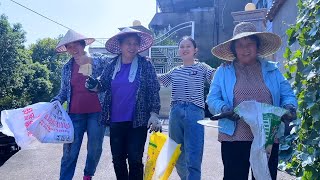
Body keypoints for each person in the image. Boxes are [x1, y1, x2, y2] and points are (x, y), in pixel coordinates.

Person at [206, 22, 297, 180]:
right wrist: (224, 108)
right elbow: (212, 98)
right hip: (234, 136)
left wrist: (289, 107)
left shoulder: (272, 70)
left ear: (258, 46)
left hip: (267, 135)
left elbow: (287, 94)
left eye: (250, 44)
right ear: (234, 49)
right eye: (240, 45)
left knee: (265, 177)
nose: (245, 49)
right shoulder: (223, 71)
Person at [86, 27, 161, 180]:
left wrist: (154, 114)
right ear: (120, 45)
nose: (132, 47)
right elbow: (103, 84)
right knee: (118, 160)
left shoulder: (145, 65)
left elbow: (154, 90)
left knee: (135, 160)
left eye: (135, 44)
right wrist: (94, 85)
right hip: (115, 121)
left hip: (138, 120)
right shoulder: (112, 64)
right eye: (128, 43)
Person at [52, 29, 108, 180]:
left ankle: (88, 175)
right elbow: (63, 91)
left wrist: (89, 61)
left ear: (82, 44)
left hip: (97, 112)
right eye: (69, 46)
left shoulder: (99, 60)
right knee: (70, 151)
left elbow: (114, 68)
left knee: (94, 148)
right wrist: (55, 101)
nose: (72, 49)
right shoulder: (66, 67)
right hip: (74, 114)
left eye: (75, 44)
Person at [158, 36, 215, 180]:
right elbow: (159, 79)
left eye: (188, 46)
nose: (184, 49)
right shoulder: (175, 71)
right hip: (175, 112)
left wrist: (224, 69)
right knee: (176, 153)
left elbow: (214, 76)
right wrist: (146, 67)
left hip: (194, 111)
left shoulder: (202, 67)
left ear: (195, 50)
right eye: (181, 46)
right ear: (178, 51)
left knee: (194, 153)